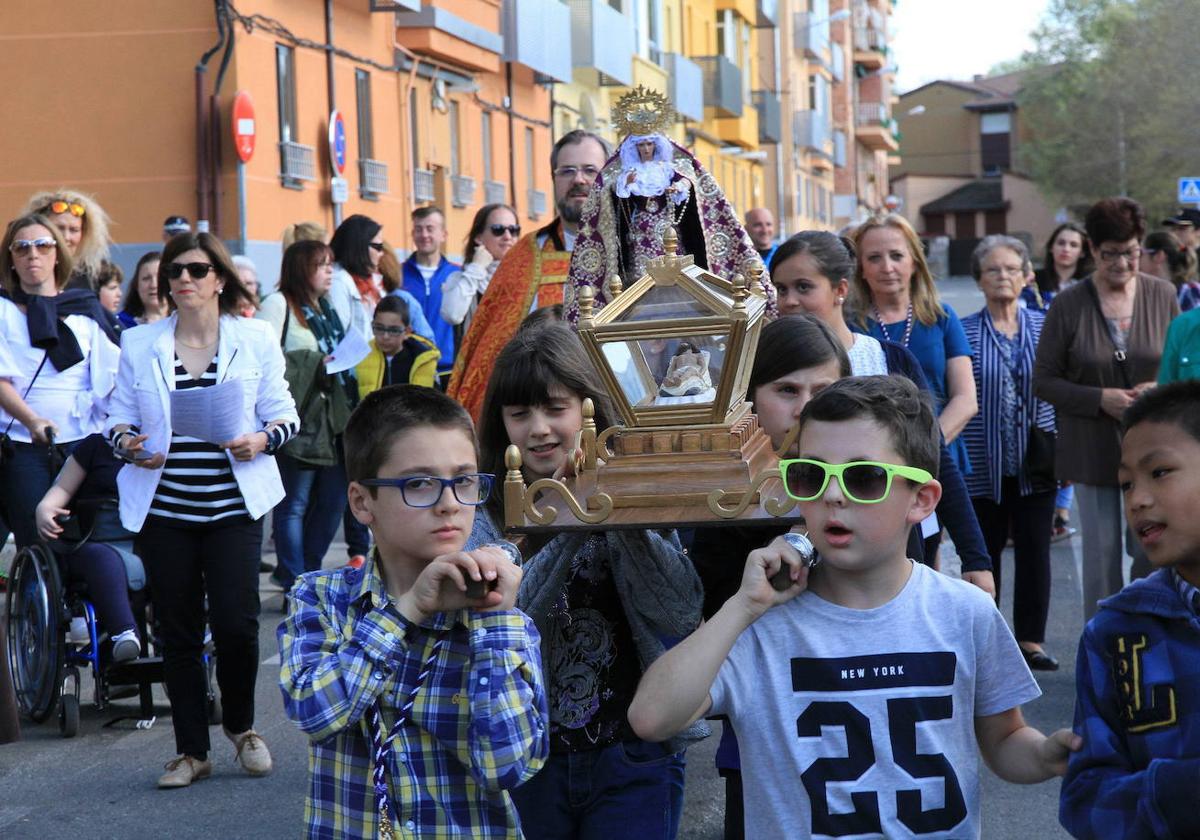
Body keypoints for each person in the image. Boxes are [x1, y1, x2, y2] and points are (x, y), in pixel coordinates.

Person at [629, 375, 1080, 839]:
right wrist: (741, 607)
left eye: (863, 478)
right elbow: (652, 718)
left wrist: (1046, 755)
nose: (833, 495)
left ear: (921, 500)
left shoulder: (965, 613)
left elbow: (1004, 738)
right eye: (810, 474)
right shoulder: (761, 622)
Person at [689, 313, 994, 838]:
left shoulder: (891, 495)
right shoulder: (726, 498)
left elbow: (939, 487)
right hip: (771, 733)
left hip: (890, 720)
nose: (805, 406)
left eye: (822, 389)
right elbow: (702, 650)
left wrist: (976, 557)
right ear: (751, 399)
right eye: (786, 389)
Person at [277, 384, 549, 838]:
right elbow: (313, 712)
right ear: (363, 502)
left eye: (464, 480)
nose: (448, 503)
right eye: (419, 483)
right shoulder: (320, 597)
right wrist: (406, 611)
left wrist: (495, 622)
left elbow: (509, 766)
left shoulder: (500, 616)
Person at [470, 324, 705, 839]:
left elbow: (679, 612)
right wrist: (574, 522)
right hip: (524, 760)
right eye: (519, 414)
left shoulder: (632, 489)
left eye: (556, 409)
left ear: (589, 408)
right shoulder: (480, 507)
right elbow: (502, 616)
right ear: (499, 422)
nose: (538, 429)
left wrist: (613, 506)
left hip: (632, 753)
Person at [106, 231, 299, 788]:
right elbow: (117, 418)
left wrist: (261, 440)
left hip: (234, 505)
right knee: (177, 629)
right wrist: (129, 445)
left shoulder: (255, 336)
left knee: (238, 624)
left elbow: (284, 413)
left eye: (195, 269)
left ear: (219, 278)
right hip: (165, 507)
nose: (183, 280)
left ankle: (241, 727)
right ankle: (191, 751)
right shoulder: (142, 343)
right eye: (174, 272)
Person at [764, 236, 995, 590]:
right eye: (781, 289)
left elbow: (933, 456)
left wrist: (974, 554)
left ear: (840, 289)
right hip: (792, 555)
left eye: (803, 287)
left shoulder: (888, 360)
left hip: (887, 545)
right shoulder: (768, 365)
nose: (790, 300)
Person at [1059, 380, 1200, 839]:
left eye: (1159, 472)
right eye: (1125, 484)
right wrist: (1178, 791)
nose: (1137, 499)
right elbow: (1085, 798)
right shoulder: (1116, 634)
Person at [1034, 196, 1179, 620]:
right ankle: (1105, 656)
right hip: (1092, 448)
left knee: (1153, 550)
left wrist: (1161, 386)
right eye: (1110, 253)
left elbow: (1182, 366)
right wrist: (1099, 399)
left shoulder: (1163, 294)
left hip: (1155, 451)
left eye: (1131, 252)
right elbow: (1044, 380)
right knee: (1101, 560)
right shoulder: (1068, 304)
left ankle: (1153, 645)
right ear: (1092, 251)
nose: (1122, 263)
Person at [449, 129, 610, 421]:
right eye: (567, 171)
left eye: (590, 170)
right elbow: (492, 351)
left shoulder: (630, 248)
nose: (579, 180)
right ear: (553, 178)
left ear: (608, 175)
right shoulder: (526, 255)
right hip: (543, 415)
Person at [850, 213, 978, 561]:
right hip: (875, 468)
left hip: (939, 458)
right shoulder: (850, 325)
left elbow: (965, 399)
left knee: (928, 556)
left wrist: (921, 447)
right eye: (874, 258)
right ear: (860, 268)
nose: (886, 266)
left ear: (914, 261)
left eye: (896, 255)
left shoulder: (941, 317)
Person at [961, 236, 1060, 670]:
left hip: (1038, 460)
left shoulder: (1048, 326)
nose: (1003, 276)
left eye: (1011, 269)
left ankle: (1031, 641)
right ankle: (993, 642)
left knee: (1036, 550)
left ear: (1026, 277)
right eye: (993, 270)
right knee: (985, 551)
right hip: (983, 461)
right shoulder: (963, 331)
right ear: (979, 280)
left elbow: (1062, 392)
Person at [0, 214, 120, 551]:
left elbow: (112, 378)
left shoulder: (85, 309)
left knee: (92, 537)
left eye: (42, 245)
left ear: (58, 254)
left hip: (84, 442)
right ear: (11, 258)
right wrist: (32, 420)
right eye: (21, 248)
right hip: (24, 444)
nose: (32, 254)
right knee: (38, 539)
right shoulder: (3, 309)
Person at [257, 239, 355, 593]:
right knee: (294, 503)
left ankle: (307, 571)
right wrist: (315, 364)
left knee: (333, 500)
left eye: (330, 264)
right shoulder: (277, 305)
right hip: (295, 418)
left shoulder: (325, 307)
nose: (330, 272)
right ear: (302, 269)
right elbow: (262, 360)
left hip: (330, 419)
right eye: (321, 265)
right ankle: (296, 579)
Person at [34, 433, 145, 662]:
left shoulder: (162, 446)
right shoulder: (95, 446)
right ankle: (123, 633)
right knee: (104, 558)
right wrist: (45, 509)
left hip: (147, 540)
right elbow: (62, 490)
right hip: (94, 542)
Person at [328, 214, 435, 346]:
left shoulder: (373, 282)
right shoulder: (339, 282)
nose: (382, 253)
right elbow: (339, 338)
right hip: (359, 365)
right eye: (378, 247)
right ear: (359, 247)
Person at [440, 203, 520, 346]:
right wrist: (477, 267)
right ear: (478, 238)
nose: (507, 236)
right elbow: (452, 315)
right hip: (474, 365)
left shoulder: (527, 278)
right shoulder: (460, 279)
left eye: (513, 230)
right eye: (498, 230)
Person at [21, 189, 114, 292]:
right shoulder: (22, 271)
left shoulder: (91, 277)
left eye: (74, 230)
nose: (66, 237)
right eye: (59, 228)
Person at [401, 206, 458, 371]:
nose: (424, 235)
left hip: (448, 367)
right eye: (418, 229)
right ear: (412, 234)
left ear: (443, 235)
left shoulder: (458, 275)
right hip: (410, 366)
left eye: (430, 229)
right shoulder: (397, 275)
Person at [355, 295, 439, 392]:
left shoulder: (422, 360)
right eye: (379, 328)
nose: (385, 336)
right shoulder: (362, 356)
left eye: (394, 330)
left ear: (407, 331)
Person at [1027, 221, 1092, 311]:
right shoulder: (1034, 280)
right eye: (1061, 243)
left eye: (1073, 245)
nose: (1066, 249)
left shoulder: (1090, 284)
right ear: (1051, 247)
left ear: (1082, 252)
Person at [1142, 229, 1200, 311]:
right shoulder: (1148, 294)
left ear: (1159, 256)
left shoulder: (1190, 293)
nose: (1137, 258)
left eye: (1141, 253)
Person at [118, 251, 167, 328]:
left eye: (159, 277)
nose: (154, 285)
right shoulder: (120, 324)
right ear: (137, 285)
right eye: (146, 278)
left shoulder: (186, 320)